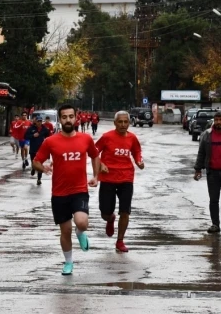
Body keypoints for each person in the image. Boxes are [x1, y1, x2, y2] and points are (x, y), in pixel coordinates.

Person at [33, 104, 100, 276]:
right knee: (65, 231)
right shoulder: (50, 141)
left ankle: (81, 233)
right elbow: (36, 161)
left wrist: (96, 176)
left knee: (82, 222)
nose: (68, 120)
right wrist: (44, 168)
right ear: (60, 119)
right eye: (64, 117)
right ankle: (68, 262)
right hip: (59, 193)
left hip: (79, 190)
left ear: (76, 117)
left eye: (71, 116)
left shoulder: (85, 139)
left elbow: (95, 155)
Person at [95, 111, 144, 252]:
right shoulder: (107, 137)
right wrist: (101, 164)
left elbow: (137, 152)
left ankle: (120, 240)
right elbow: (94, 151)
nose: (123, 125)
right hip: (108, 178)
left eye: (125, 122)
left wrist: (139, 161)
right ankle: (110, 219)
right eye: (120, 122)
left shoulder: (132, 138)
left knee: (125, 211)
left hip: (126, 178)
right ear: (115, 123)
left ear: (129, 123)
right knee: (105, 213)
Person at [25, 116, 52, 185]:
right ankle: (33, 168)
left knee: (40, 165)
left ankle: (39, 179)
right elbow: (25, 136)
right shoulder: (31, 128)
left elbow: (48, 136)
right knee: (33, 163)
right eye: (38, 121)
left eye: (40, 121)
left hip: (41, 150)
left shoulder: (44, 129)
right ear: (35, 122)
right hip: (33, 149)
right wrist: (33, 135)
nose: (39, 123)